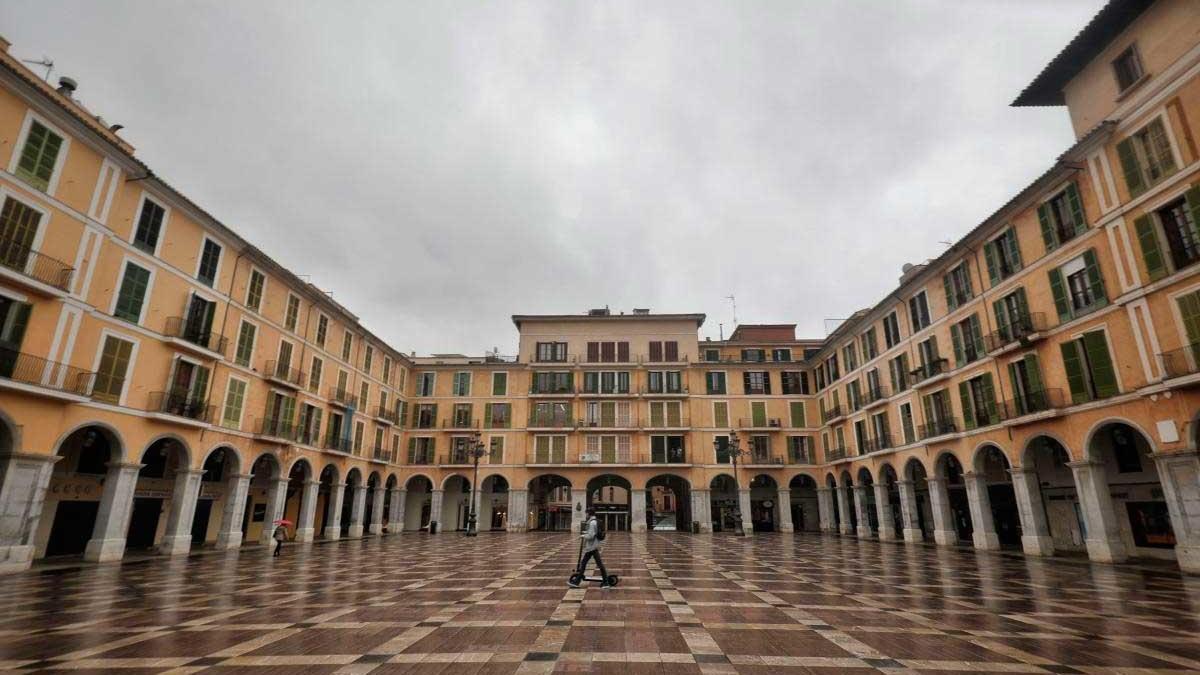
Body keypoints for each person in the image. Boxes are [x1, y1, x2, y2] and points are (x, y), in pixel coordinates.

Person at [571, 508, 612, 589]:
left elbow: (591, 535)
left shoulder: (592, 523)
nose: (586, 515)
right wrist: (586, 533)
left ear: (589, 513)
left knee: (589, 564)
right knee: (586, 563)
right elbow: (591, 533)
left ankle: (605, 582)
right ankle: (577, 581)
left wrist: (583, 536)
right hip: (593, 546)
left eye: (586, 513)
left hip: (592, 547)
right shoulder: (594, 521)